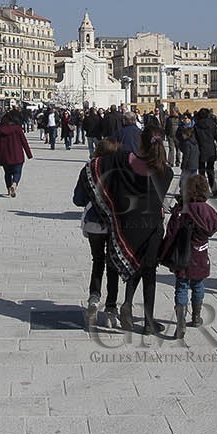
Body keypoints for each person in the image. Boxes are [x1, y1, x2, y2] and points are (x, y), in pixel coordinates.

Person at [86, 131, 173, 336]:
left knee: (133, 264)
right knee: (149, 272)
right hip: (152, 226)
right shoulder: (166, 172)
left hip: (127, 223)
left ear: (141, 146)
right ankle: (148, 321)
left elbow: (100, 163)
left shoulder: (127, 163)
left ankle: (126, 303)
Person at [163, 174, 217, 338]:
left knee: (181, 286)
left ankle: (181, 321)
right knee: (198, 285)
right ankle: (196, 316)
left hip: (183, 254)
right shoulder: (209, 210)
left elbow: (172, 232)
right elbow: (215, 223)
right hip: (201, 254)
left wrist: (164, 253)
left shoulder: (184, 210)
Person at [75, 138, 122, 329]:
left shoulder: (87, 170)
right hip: (114, 224)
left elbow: (77, 199)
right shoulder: (120, 172)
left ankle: (94, 297)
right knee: (113, 265)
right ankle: (111, 308)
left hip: (94, 224)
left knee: (98, 261)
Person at [0, 111, 33, 196]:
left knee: (7, 174)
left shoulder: (1, 130)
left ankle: (9, 188)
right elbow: (24, 142)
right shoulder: (17, 129)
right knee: (17, 172)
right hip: (17, 155)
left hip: (5, 156)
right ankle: (14, 184)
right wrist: (29, 154)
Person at [193, 109, 217, 196]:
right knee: (211, 170)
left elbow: (193, 139)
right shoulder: (212, 124)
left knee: (201, 172)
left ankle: (202, 190)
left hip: (200, 150)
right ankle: (214, 190)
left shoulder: (196, 125)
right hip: (211, 150)